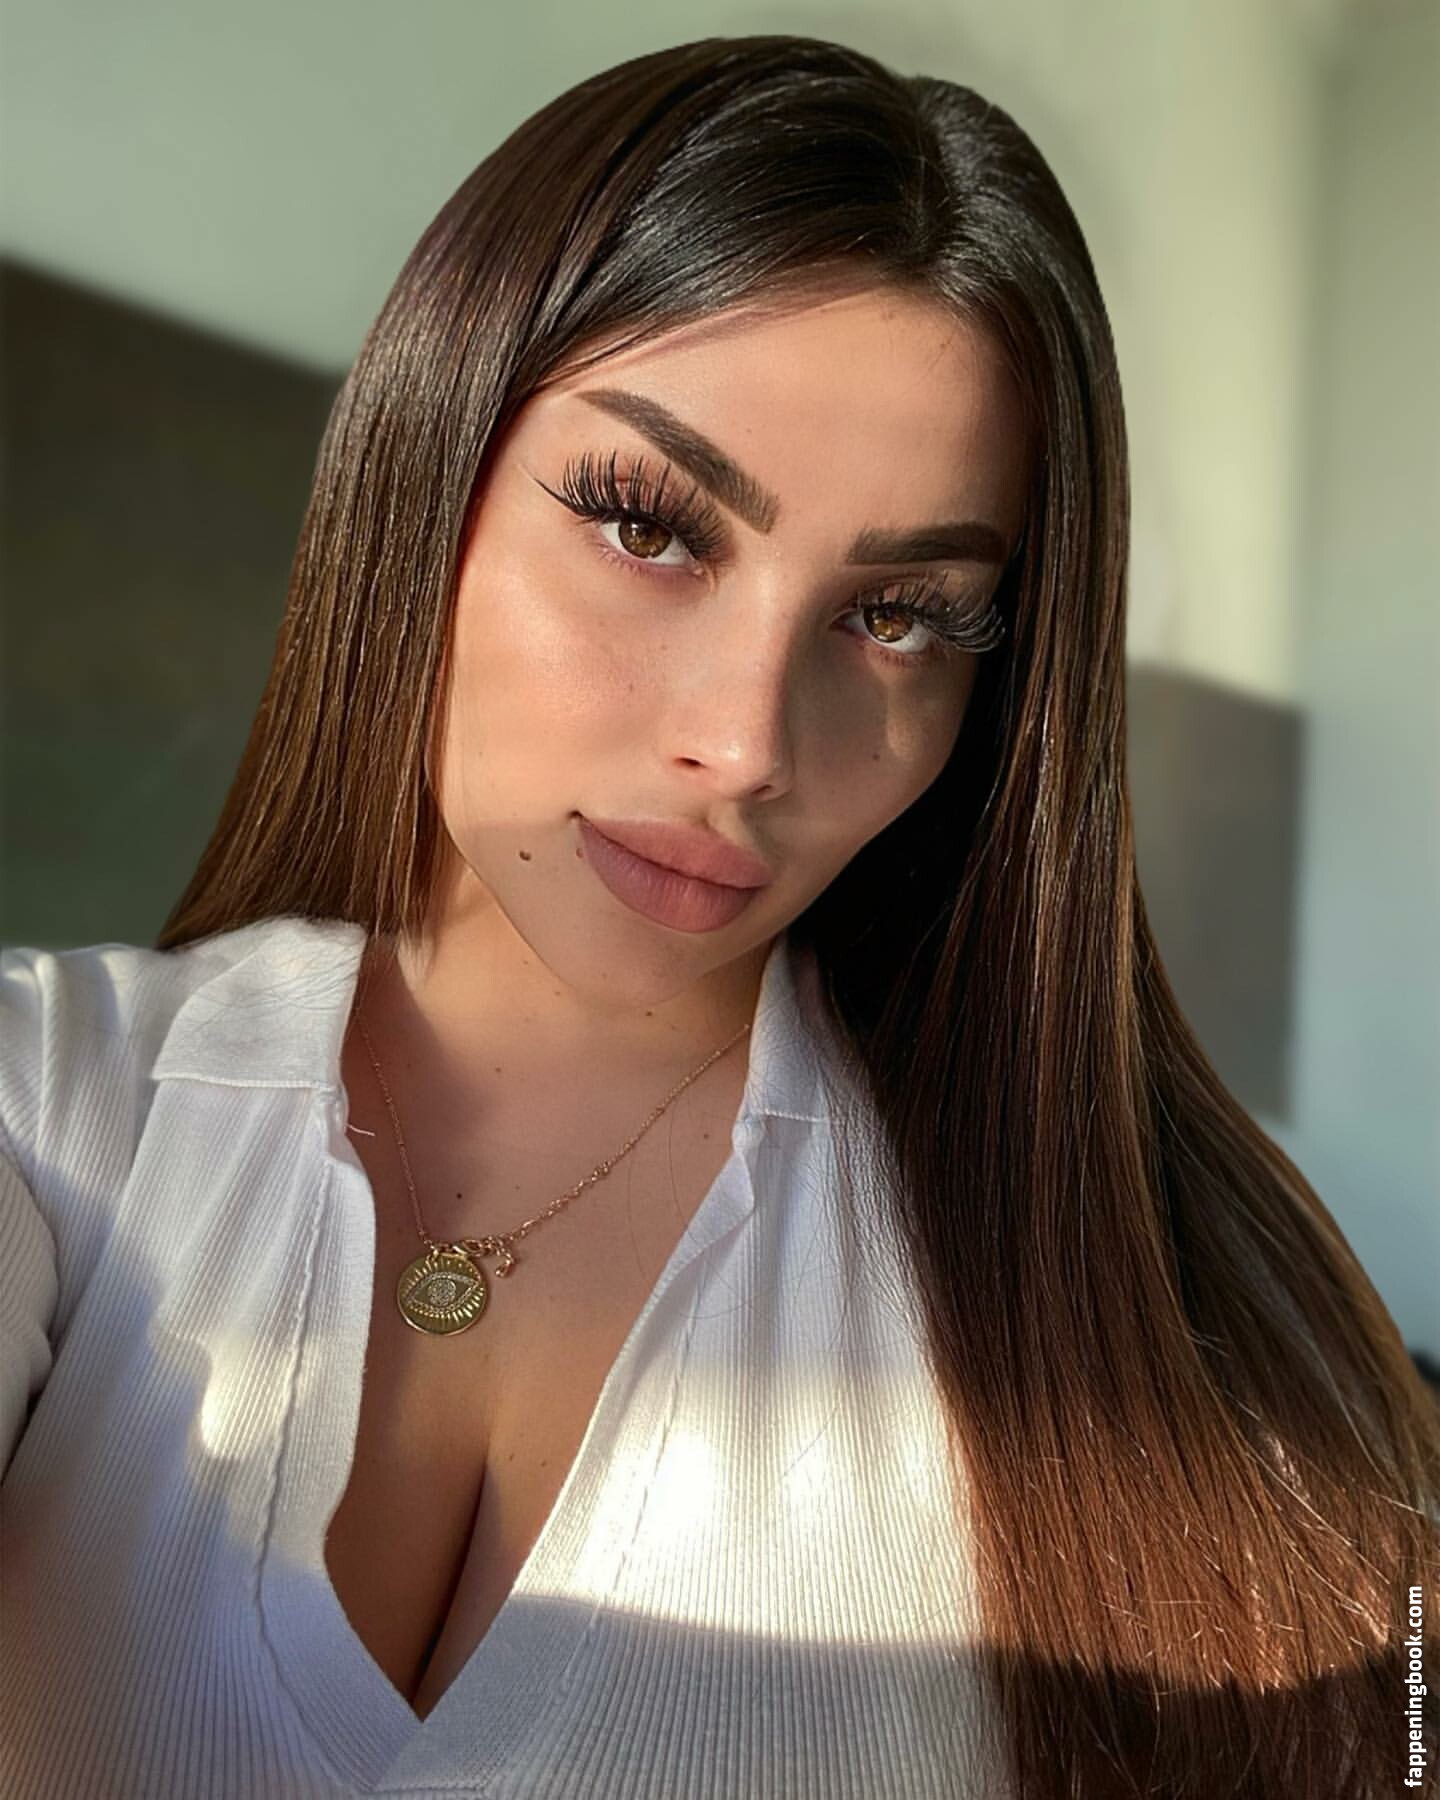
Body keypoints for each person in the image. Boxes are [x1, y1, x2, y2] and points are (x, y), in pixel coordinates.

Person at [1, 32, 1436, 1800]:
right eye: (648, 526)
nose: (749, 745)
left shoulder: (1154, 1299)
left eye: (903, 615)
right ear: (421, 480)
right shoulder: (53, 1110)